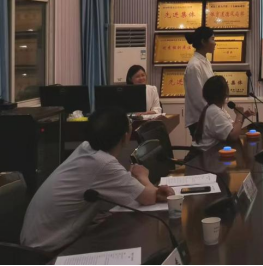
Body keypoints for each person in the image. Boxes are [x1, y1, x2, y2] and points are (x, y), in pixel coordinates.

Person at [20, 108, 174, 254]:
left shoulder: (86, 148)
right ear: (125, 137)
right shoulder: (103, 163)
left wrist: (147, 188)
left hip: (34, 243)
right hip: (47, 251)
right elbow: (147, 198)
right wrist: (142, 176)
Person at [192, 76, 254, 152]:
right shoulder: (214, 111)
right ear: (223, 93)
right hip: (204, 156)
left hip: (211, 153)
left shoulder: (216, 108)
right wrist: (239, 116)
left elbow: (231, 128)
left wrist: (242, 117)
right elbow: (233, 136)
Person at [184, 27, 216, 138]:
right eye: (212, 39)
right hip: (199, 120)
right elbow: (198, 99)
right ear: (203, 41)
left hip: (208, 116)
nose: (215, 43)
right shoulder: (194, 65)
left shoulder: (206, 61)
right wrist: (215, 114)